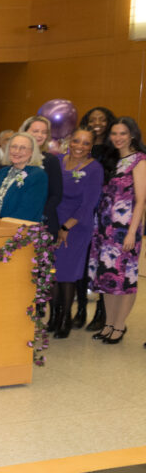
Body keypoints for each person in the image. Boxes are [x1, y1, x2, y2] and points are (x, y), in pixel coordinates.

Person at [88, 117, 146, 345]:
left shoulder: (140, 161)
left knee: (125, 278)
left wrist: (133, 233)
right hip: (104, 229)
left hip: (125, 230)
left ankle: (120, 325)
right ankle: (109, 323)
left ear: (132, 134)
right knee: (107, 277)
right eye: (114, 134)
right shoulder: (113, 161)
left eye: (123, 133)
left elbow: (141, 201)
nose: (118, 138)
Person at [49, 128, 103, 338]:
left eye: (86, 143)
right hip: (54, 223)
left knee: (67, 275)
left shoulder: (94, 169)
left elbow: (88, 204)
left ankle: (65, 319)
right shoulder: (58, 160)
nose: (80, 146)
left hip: (77, 227)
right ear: (69, 141)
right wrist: (55, 225)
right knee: (52, 273)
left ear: (91, 147)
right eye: (76, 141)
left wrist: (66, 228)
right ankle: (53, 316)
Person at [76, 107, 116, 330]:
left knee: (102, 264)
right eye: (93, 120)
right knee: (82, 264)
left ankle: (101, 312)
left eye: (102, 120)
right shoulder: (82, 147)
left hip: (107, 215)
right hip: (83, 213)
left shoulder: (114, 150)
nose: (98, 123)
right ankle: (81, 309)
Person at [0, 132, 48, 221]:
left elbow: (28, 210)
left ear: (31, 152)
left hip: (17, 229)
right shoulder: (3, 172)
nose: (17, 151)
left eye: (23, 148)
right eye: (14, 147)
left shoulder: (37, 175)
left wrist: (2, 226)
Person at [19, 115, 64, 236]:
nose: (40, 135)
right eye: (35, 131)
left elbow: (56, 195)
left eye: (44, 132)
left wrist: (38, 215)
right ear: (24, 132)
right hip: (15, 222)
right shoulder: (14, 159)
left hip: (43, 223)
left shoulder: (51, 160)